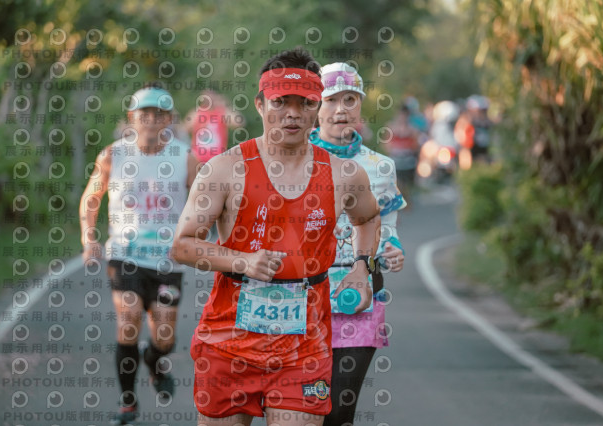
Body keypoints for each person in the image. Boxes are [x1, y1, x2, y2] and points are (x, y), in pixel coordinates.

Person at [171, 47, 381, 426]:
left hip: (305, 347)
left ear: (317, 106)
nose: (293, 113)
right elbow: (182, 246)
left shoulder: (345, 175)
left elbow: (367, 218)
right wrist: (242, 261)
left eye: (305, 103)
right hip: (228, 342)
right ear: (260, 104)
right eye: (281, 102)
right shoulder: (224, 170)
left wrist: (361, 267)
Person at [79, 83, 198, 425]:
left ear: (169, 119)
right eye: (144, 114)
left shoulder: (185, 158)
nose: (151, 120)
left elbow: (203, 203)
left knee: (165, 336)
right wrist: (89, 236)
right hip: (125, 254)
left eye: (159, 114)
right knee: (129, 318)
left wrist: (200, 237)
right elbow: (91, 198)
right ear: (132, 117)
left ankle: (153, 360)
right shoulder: (113, 155)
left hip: (167, 260)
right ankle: (128, 402)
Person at [309, 62, 406, 426]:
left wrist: (393, 248)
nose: (341, 109)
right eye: (331, 100)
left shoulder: (380, 166)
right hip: (302, 297)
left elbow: (387, 226)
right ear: (315, 106)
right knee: (304, 410)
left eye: (350, 99)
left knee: (339, 410)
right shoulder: (293, 160)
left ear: (360, 105)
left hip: (360, 295)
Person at [184, 89, 245, 164]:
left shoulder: (222, 112)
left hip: (217, 160)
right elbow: (183, 131)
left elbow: (239, 123)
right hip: (198, 159)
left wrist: (225, 105)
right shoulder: (197, 113)